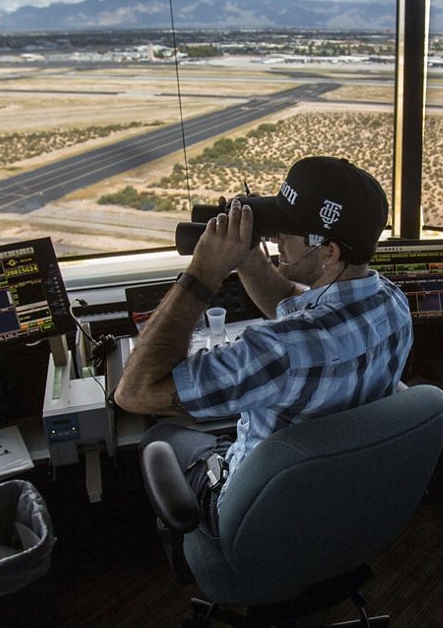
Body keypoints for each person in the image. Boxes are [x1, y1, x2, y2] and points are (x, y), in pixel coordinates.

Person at [114, 156, 413, 533]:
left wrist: (204, 271)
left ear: (329, 251)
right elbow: (293, 307)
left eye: (286, 230)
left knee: (162, 435)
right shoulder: (392, 302)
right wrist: (248, 259)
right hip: (335, 495)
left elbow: (134, 393)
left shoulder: (279, 353)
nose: (275, 237)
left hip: (257, 515)